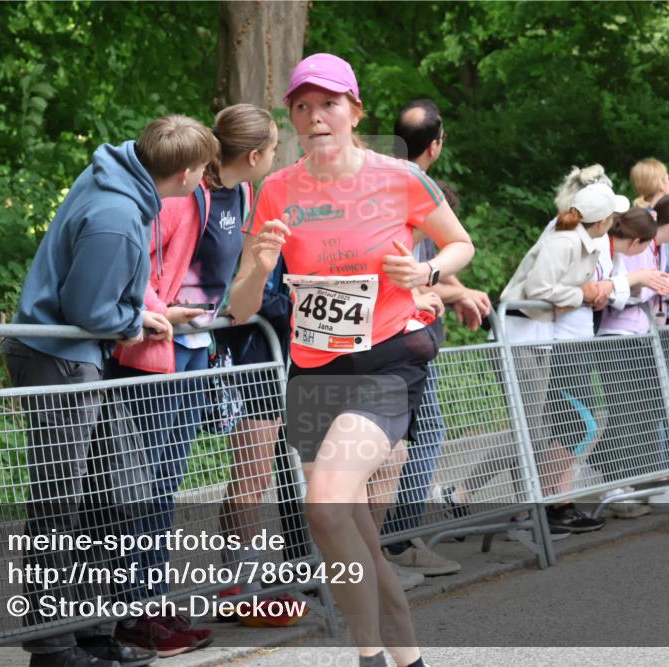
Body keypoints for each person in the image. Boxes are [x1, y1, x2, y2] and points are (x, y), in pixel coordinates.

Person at [229, 52, 474, 667]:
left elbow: (460, 244)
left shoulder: (399, 178)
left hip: (388, 361)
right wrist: (259, 266)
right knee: (355, 531)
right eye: (302, 107)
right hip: (314, 372)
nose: (315, 117)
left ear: (354, 110)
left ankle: (366, 659)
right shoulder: (277, 189)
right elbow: (239, 308)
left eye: (329, 104)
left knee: (327, 504)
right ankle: (408, 659)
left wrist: (426, 269)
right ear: (291, 117)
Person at [2, 114, 217, 667]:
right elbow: (89, 309)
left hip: (80, 359)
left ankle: (91, 630)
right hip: (58, 362)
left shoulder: (123, 180)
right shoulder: (118, 215)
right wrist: (136, 321)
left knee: (118, 491)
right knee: (61, 507)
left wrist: (145, 312)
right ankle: (52, 647)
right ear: (189, 172)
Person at [104, 104, 286, 651]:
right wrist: (161, 313)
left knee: (166, 484)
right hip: (157, 350)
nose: (276, 157)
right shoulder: (190, 196)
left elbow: (229, 285)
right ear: (254, 156)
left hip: (196, 350)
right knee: (145, 485)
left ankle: (153, 607)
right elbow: (144, 264)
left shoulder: (245, 196)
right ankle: (134, 611)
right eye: (275, 148)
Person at [379, 99, 490, 588]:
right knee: (409, 442)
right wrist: (449, 290)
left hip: (401, 335)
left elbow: (419, 273)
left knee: (398, 444)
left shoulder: (377, 180)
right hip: (400, 338)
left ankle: (384, 546)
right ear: (437, 144)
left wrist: (452, 290)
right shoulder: (407, 187)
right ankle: (396, 543)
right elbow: (407, 276)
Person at [501, 182, 642, 533]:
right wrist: (584, 292)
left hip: (540, 338)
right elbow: (538, 290)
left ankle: (535, 509)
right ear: (604, 220)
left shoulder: (579, 240)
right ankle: (524, 510)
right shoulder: (564, 240)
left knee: (538, 428)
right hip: (523, 337)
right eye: (613, 216)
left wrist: (587, 292)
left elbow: (561, 291)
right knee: (531, 429)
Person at [593, 208, 669, 516]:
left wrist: (657, 283)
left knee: (647, 409)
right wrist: (655, 284)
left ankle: (645, 482)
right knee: (624, 411)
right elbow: (618, 293)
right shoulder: (620, 251)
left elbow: (628, 289)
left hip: (642, 333)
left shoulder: (635, 249)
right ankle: (615, 483)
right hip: (616, 334)